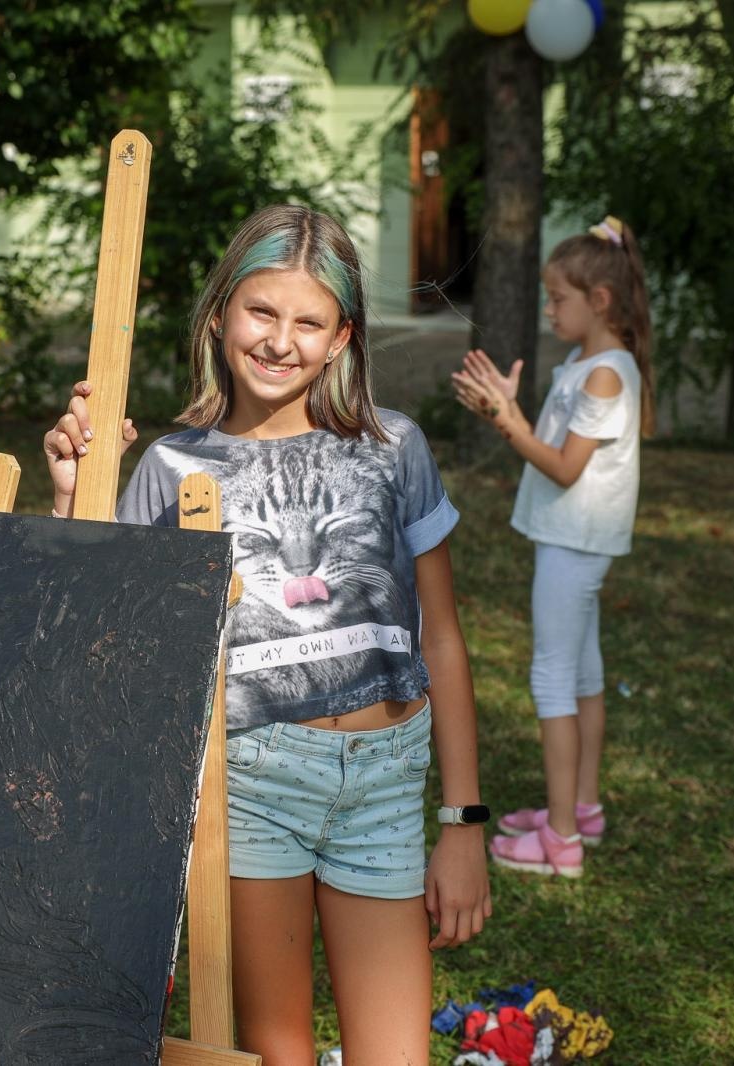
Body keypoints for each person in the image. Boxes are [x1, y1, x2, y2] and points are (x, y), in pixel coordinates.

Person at [43, 204, 490, 1065]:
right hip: (251, 786)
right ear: (220, 315)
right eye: (261, 312)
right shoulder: (173, 466)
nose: (281, 341)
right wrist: (73, 498)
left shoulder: (394, 445)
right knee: (277, 1056)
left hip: (386, 784)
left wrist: (463, 821)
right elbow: (103, 640)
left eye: (309, 322)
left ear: (342, 336)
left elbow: (441, 639)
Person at [450, 215, 654, 879]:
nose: (549, 309)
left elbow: (565, 469)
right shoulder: (587, 365)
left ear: (600, 300)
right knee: (584, 675)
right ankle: (582, 808)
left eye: (558, 298)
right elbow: (560, 450)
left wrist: (506, 421)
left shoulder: (605, 375)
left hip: (575, 540)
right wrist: (512, 411)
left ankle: (562, 840)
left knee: (553, 677)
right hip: (571, 537)